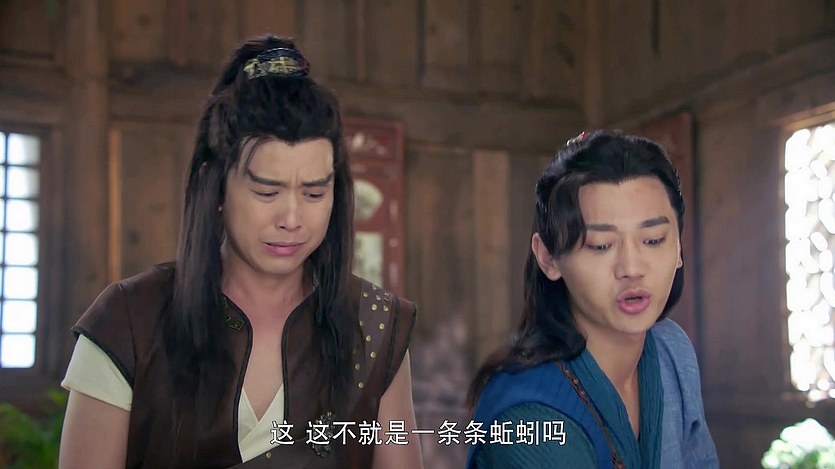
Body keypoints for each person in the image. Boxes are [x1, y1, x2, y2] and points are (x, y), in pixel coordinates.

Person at [59, 35, 423, 469]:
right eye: (266, 192)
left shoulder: (375, 325)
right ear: (214, 185)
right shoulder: (129, 321)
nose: (292, 218)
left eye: (314, 193)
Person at [466, 131, 718, 468]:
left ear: (679, 248)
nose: (632, 268)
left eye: (654, 240)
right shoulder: (530, 422)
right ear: (548, 258)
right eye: (601, 245)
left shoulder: (671, 352)